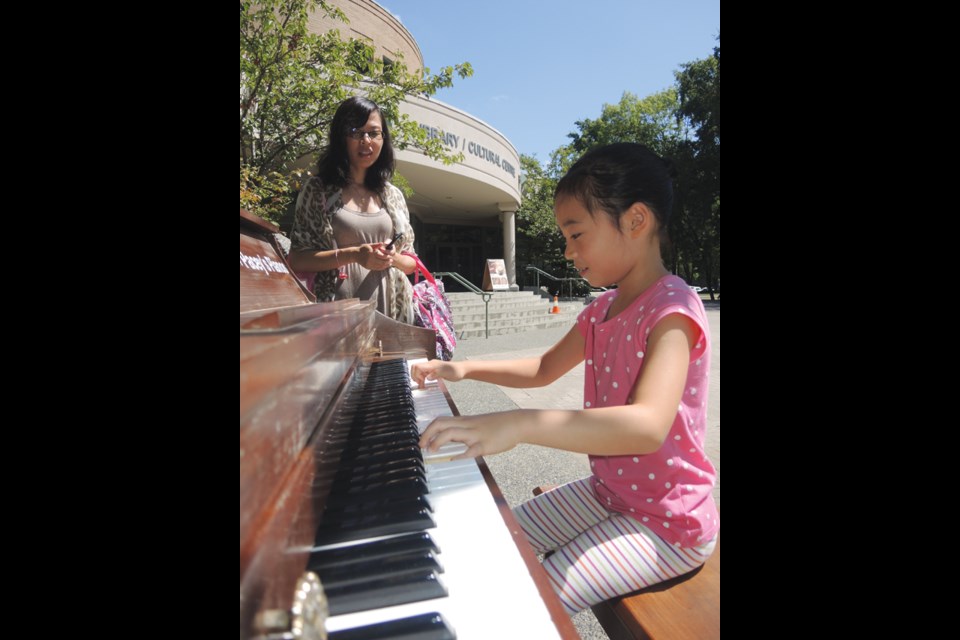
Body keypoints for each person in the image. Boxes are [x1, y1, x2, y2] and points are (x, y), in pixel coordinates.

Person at [413, 143, 718, 615]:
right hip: (608, 493)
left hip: (668, 522)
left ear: (636, 221)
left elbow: (647, 424)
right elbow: (542, 370)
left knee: (531, 602)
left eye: (576, 234)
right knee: (497, 541)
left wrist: (518, 425)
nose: (567, 250)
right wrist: (462, 367)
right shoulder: (600, 311)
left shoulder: (673, 309)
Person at [288, 96, 416, 323]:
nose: (366, 141)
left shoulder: (392, 195)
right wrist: (355, 255)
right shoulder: (318, 191)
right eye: (356, 132)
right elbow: (297, 259)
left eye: (373, 133)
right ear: (341, 138)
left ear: (383, 139)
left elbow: (411, 263)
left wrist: (391, 257)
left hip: (392, 320)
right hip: (333, 324)